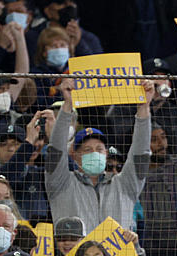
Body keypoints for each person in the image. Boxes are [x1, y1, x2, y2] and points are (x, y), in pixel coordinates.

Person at [45, 78, 154, 233]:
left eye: (99, 149)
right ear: (74, 155)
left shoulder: (125, 184)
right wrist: (67, 105)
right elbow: (55, 150)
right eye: (87, 150)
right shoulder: (60, 183)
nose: (94, 153)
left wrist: (144, 107)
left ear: (106, 154)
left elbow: (141, 153)